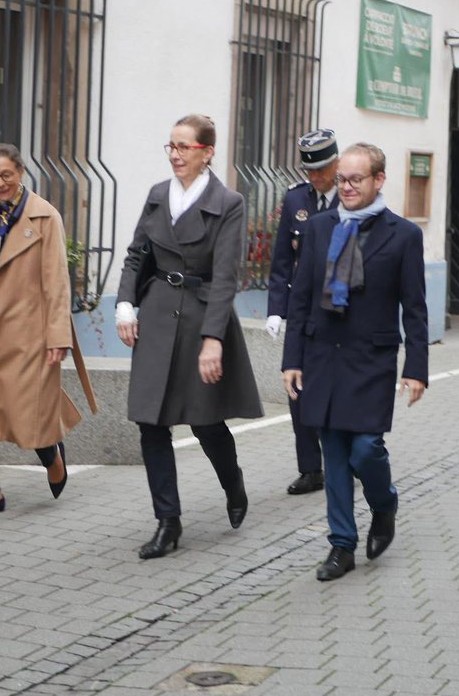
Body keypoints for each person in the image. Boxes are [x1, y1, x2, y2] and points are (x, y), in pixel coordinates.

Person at [115, 114, 263, 560]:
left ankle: (233, 483)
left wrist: (213, 339)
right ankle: (168, 521)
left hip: (201, 315)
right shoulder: (159, 195)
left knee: (204, 421)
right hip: (159, 312)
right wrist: (125, 304)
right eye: (171, 147)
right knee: (150, 422)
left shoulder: (228, 201)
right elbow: (137, 254)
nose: (176, 155)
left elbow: (225, 277)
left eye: (185, 147)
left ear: (207, 152)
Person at [282, 143, 429, 582]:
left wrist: (417, 367)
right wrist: (293, 358)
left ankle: (384, 504)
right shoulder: (319, 228)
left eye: (355, 180)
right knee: (335, 453)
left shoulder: (403, 235)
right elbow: (301, 297)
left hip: (372, 359)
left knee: (366, 448)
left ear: (378, 180)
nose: (345, 187)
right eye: (341, 179)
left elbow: (415, 308)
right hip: (323, 354)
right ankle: (341, 545)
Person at [0, 143, 97, 516]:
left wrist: (58, 337)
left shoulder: (45, 217)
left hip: (26, 331)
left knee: (29, 410)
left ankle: (52, 455)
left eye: (6, 175)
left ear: (21, 173)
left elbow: (57, 282)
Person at [265, 129, 340, 496]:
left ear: (336, 163)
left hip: (341, 313)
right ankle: (310, 468)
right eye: (310, 171)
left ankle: (346, 457)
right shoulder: (296, 198)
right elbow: (282, 260)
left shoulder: (351, 199)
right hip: (303, 311)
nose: (316, 177)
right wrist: (276, 310)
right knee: (298, 391)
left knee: (339, 390)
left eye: (322, 170)